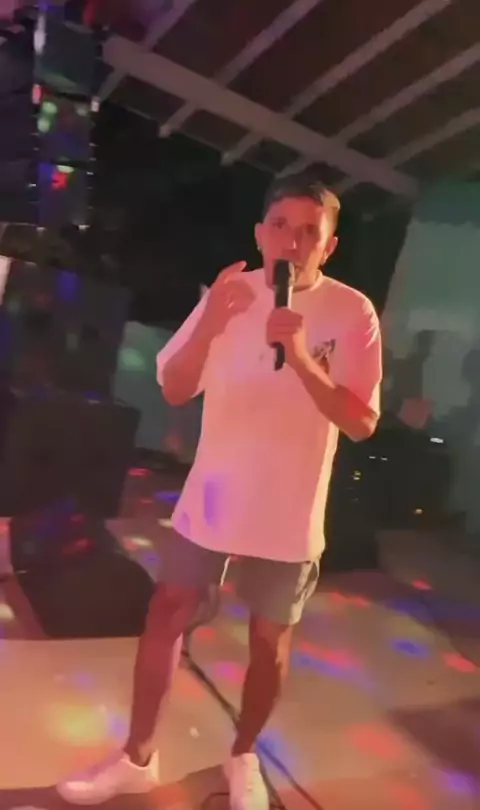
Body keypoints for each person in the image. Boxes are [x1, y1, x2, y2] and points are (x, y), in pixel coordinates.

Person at [57, 171, 382, 807]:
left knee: (269, 643)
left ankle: (243, 757)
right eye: (280, 226)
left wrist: (302, 356)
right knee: (166, 615)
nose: (292, 242)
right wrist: (211, 320)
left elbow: (361, 421)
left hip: (290, 509)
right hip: (213, 496)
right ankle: (137, 758)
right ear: (260, 233)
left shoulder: (353, 312)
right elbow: (176, 387)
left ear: (329, 246)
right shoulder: (228, 295)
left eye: (309, 232)